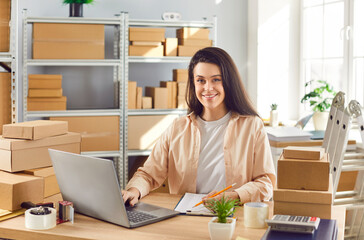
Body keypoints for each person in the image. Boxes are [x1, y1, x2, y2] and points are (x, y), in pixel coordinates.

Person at [122, 47, 276, 206]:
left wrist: (235, 196)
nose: (208, 88)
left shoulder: (251, 126)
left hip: (232, 216)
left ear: (228, 82)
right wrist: (134, 191)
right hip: (186, 217)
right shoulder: (178, 128)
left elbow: (266, 183)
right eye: (201, 80)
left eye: (216, 79)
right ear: (193, 84)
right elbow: (148, 175)